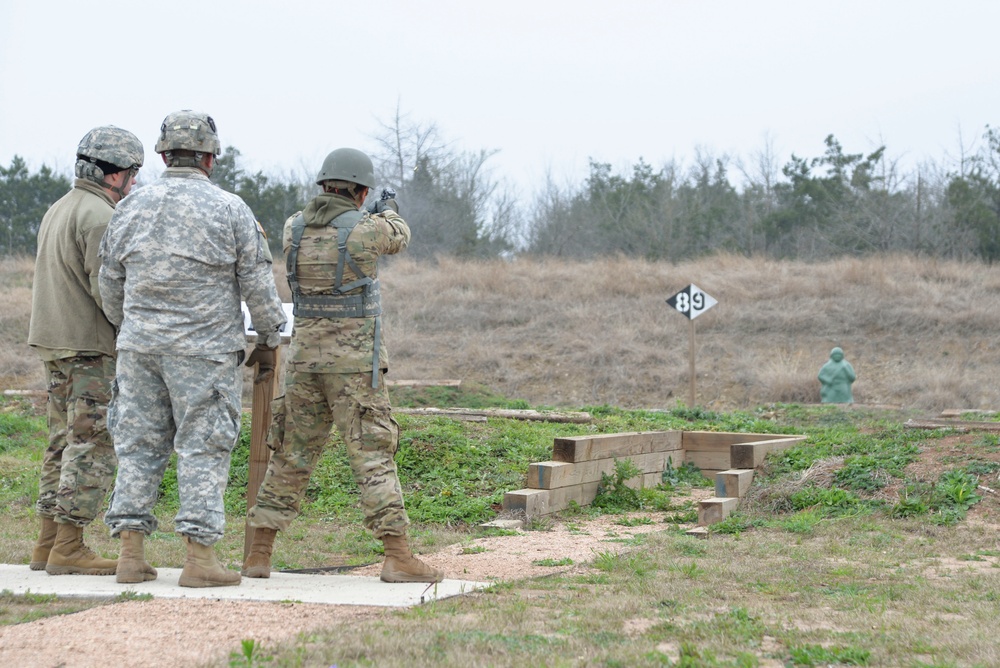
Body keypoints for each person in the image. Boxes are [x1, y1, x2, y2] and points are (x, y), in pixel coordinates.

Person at [99, 110, 286, 587]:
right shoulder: (230, 209)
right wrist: (269, 333)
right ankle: (200, 561)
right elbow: (258, 285)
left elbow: (109, 284)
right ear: (210, 157)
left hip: (139, 349)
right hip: (204, 355)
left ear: (162, 154)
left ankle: (129, 556)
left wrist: (134, 328)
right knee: (203, 448)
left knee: (137, 447)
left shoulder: (130, 208)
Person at [243, 148, 443, 583]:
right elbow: (399, 235)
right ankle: (398, 556)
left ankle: (259, 553)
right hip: (354, 367)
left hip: (303, 360)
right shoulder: (367, 229)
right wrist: (387, 209)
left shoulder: (293, 227)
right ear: (361, 190)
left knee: (290, 455)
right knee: (372, 455)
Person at [26, 126, 144, 576]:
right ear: (113, 174)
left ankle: (47, 544)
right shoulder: (100, 215)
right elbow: (107, 290)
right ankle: (70, 547)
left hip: (56, 342)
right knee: (91, 444)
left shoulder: (61, 206)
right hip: (89, 348)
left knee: (61, 442)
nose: (133, 183)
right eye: (131, 173)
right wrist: (135, 329)